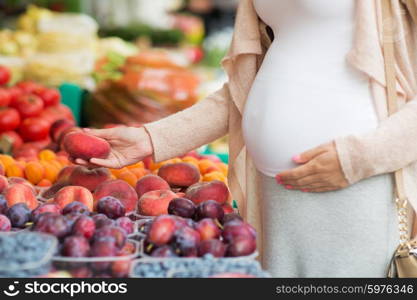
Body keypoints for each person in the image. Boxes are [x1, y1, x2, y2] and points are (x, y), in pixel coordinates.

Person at [78, 0, 417, 277]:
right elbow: (245, 86)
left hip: (352, 186)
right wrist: (151, 138)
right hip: (269, 189)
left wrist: (359, 158)